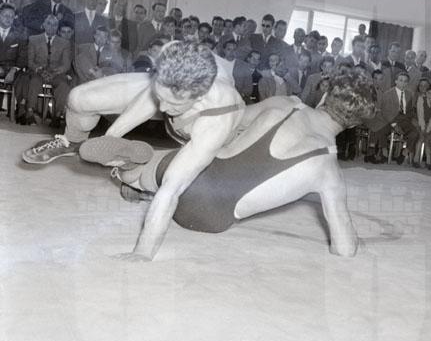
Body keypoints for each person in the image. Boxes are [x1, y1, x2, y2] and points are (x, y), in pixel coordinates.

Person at [78, 73, 375, 260]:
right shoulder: (329, 172)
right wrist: (353, 239)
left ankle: (130, 170)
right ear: (354, 125)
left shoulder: (286, 104)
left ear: (324, 96)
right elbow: (344, 249)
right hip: (211, 218)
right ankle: (142, 183)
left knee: (158, 168)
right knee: (180, 174)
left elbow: (233, 122)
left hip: (196, 174)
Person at [22, 41, 246, 166]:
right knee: (79, 98)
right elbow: (148, 100)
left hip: (201, 116)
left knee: (188, 163)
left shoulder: (221, 102)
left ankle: (138, 167)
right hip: (178, 91)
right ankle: (72, 141)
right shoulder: (173, 52)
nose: (163, 107)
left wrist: (110, 142)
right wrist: (109, 141)